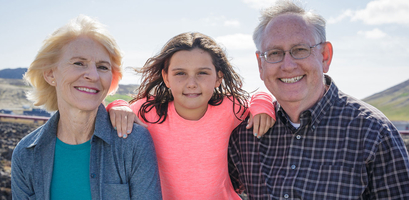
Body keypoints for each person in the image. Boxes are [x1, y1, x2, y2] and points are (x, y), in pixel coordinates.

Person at [228, 1, 409, 199]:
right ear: (260, 65)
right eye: (274, 53)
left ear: (325, 56)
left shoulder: (373, 132)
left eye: (300, 49)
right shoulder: (245, 135)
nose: (287, 66)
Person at [106, 32, 276, 199]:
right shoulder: (149, 112)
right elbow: (119, 108)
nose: (192, 83)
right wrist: (118, 106)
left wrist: (262, 107)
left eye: (202, 73)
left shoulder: (229, 108)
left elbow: (259, 97)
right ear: (166, 78)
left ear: (218, 78)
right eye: (180, 73)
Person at [11, 15, 162, 199]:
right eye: (78, 63)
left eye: (103, 67)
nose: (93, 75)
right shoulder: (26, 154)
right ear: (50, 74)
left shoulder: (133, 143)